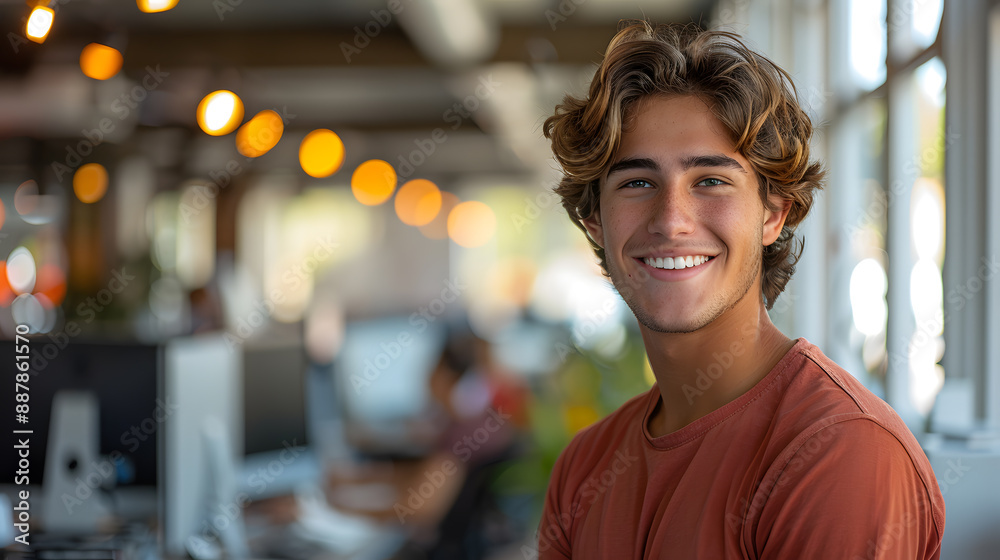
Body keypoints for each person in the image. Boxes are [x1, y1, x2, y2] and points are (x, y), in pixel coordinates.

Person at [535, 21, 945, 559]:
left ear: (774, 214)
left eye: (710, 180)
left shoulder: (840, 449)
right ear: (594, 221)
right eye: (637, 182)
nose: (672, 220)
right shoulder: (585, 467)